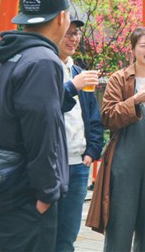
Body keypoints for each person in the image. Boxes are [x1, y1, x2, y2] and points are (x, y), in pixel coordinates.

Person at [0, 0, 71, 251]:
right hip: (26, 195)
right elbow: (42, 132)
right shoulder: (43, 60)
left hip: (3, 184)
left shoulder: (13, 55)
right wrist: (46, 192)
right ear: (61, 18)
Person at [86, 27, 145, 251]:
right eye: (143, 45)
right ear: (132, 50)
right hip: (124, 162)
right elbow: (108, 117)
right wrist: (136, 100)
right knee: (120, 223)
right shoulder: (119, 79)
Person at [56, 17, 104, 252]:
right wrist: (71, 85)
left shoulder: (79, 72)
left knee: (68, 234)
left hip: (79, 165)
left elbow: (94, 117)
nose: (73, 38)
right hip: (52, 163)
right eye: (68, 33)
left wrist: (92, 151)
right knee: (45, 231)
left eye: (76, 34)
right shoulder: (46, 68)